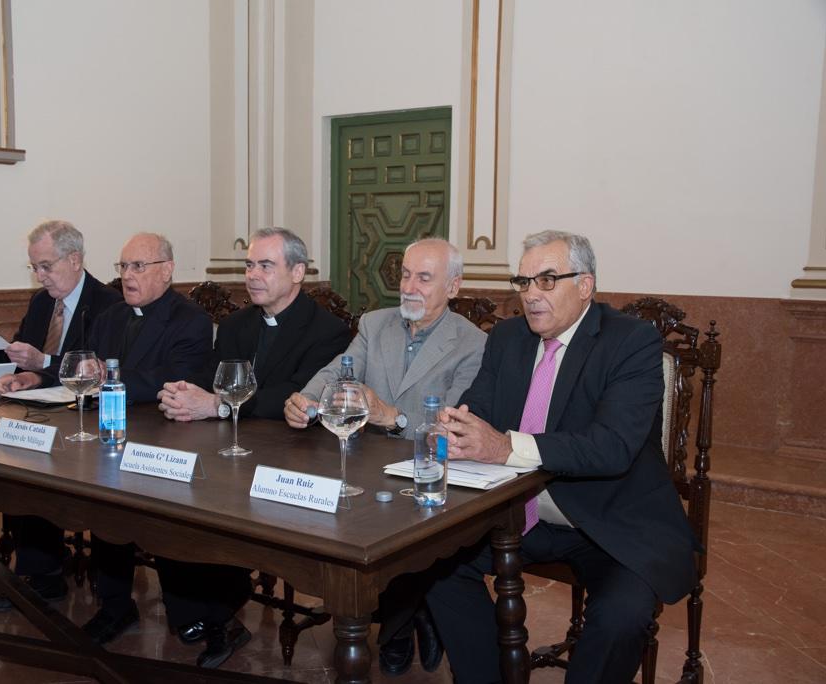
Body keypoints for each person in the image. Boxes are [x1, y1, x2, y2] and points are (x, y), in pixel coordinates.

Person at [426, 230, 698, 683]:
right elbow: (481, 410)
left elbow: (611, 446)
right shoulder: (509, 337)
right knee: (432, 570)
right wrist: (458, 428)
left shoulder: (631, 342)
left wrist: (505, 445)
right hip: (517, 513)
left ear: (585, 285)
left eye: (547, 280)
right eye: (524, 282)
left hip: (608, 518)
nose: (531, 295)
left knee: (621, 616)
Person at [284, 237, 487, 677]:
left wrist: (393, 418)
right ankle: (409, 615)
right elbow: (340, 371)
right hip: (365, 461)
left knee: (405, 537)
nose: (409, 287)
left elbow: (451, 426)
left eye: (424, 278)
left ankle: (399, 626)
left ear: (454, 286)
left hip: (429, 471)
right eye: (405, 275)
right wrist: (305, 398)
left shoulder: (472, 343)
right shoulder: (376, 324)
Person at [155, 227, 351, 668]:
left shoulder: (329, 331)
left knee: (226, 513)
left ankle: (219, 612)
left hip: (292, 454)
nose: (253, 275)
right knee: (170, 498)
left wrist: (218, 406)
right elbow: (214, 379)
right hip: (228, 450)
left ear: (298, 272)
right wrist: (186, 394)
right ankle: (198, 613)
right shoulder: (238, 324)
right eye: (248, 265)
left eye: (266, 265)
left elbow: (295, 393)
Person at [0, 220, 121, 591]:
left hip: (83, 417)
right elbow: (24, 353)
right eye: (34, 267)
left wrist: (41, 367)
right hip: (38, 404)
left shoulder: (107, 303)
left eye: (46, 266)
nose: (40, 276)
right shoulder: (40, 302)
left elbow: (96, 366)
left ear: (75, 259)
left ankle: (42, 570)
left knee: (28, 464)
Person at [80, 232, 213, 645]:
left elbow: (177, 381)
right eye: (123, 267)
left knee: (163, 518)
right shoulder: (110, 317)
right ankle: (115, 605)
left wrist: (109, 379)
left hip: (168, 438)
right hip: (112, 434)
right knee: (103, 507)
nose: (127, 276)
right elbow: (90, 365)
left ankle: (187, 608)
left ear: (167, 270)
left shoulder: (189, 319)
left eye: (138, 266)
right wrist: (93, 375)